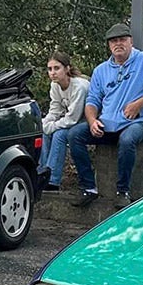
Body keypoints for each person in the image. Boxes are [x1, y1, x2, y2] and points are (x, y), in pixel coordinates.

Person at [67, 23, 143, 207]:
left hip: (137, 122)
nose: (118, 44)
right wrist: (92, 121)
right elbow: (92, 101)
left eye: (122, 40)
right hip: (107, 124)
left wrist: (139, 104)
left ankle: (123, 191)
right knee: (75, 135)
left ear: (130, 41)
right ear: (109, 45)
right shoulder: (101, 70)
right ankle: (88, 188)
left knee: (127, 139)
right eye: (114, 41)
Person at [37, 51, 89, 192]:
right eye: (50, 69)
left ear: (67, 69)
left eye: (57, 68)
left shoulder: (79, 87)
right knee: (44, 133)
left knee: (59, 135)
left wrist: (51, 126)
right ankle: (41, 175)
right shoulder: (55, 85)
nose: (52, 72)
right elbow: (55, 110)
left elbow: (73, 118)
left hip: (87, 122)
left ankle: (53, 181)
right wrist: (43, 124)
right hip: (72, 121)